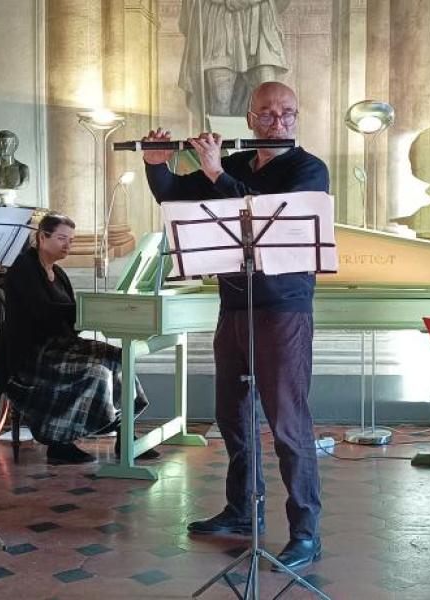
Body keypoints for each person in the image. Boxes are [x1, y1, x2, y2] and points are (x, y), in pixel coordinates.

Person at [143, 81, 328, 570]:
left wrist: (214, 170)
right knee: (233, 415)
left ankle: (306, 531)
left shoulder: (308, 168)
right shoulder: (240, 165)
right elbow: (175, 198)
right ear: (249, 119)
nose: (278, 121)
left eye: (287, 112)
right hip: (235, 306)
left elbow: (260, 214)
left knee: (288, 423)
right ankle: (243, 512)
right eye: (266, 113)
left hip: (283, 308)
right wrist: (158, 163)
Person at [0, 212, 159, 465]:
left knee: (119, 357)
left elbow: (69, 321)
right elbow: (41, 313)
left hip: (58, 345)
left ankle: (125, 435)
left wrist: (97, 314)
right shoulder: (23, 268)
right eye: (61, 238)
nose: (68, 244)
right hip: (29, 354)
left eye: (71, 239)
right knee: (96, 372)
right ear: (41, 237)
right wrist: (87, 310)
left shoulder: (59, 274)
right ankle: (59, 444)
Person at [178, 0, 290, 119]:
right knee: (220, 98)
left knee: (268, 98)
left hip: (259, 21)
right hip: (218, 18)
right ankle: (220, 135)